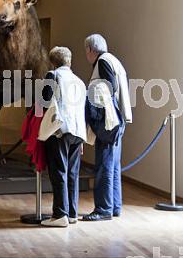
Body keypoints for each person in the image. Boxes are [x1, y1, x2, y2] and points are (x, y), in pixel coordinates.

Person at [82, 34, 132, 221]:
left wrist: (97, 124)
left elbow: (105, 94)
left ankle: (103, 209)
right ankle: (114, 206)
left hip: (109, 123)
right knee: (113, 166)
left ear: (89, 50)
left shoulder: (102, 62)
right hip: (119, 121)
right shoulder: (113, 60)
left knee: (104, 166)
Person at [40, 47, 87, 228]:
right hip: (77, 132)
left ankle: (60, 214)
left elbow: (45, 102)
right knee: (72, 173)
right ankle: (72, 212)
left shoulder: (52, 76)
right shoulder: (79, 81)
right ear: (69, 60)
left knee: (59, 171)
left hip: (60, 130)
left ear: (53, 62)